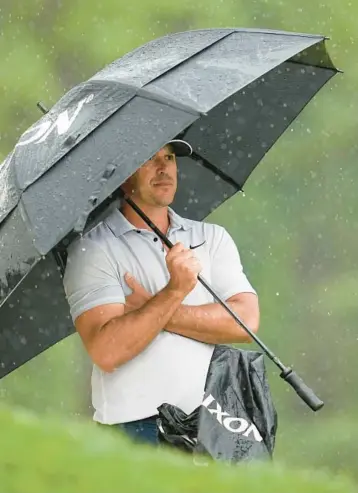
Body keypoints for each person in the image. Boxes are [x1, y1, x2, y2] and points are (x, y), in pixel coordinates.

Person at [63, 139, 259, 446]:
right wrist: (174, 290)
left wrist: (157, 311)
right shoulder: (93, 249)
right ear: (122, 174)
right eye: (148, 159)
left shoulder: (211, 237)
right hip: (136, 427)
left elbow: (245, 321)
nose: (163, 168)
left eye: (168, 157)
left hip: (213, 421)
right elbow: (107, 351)